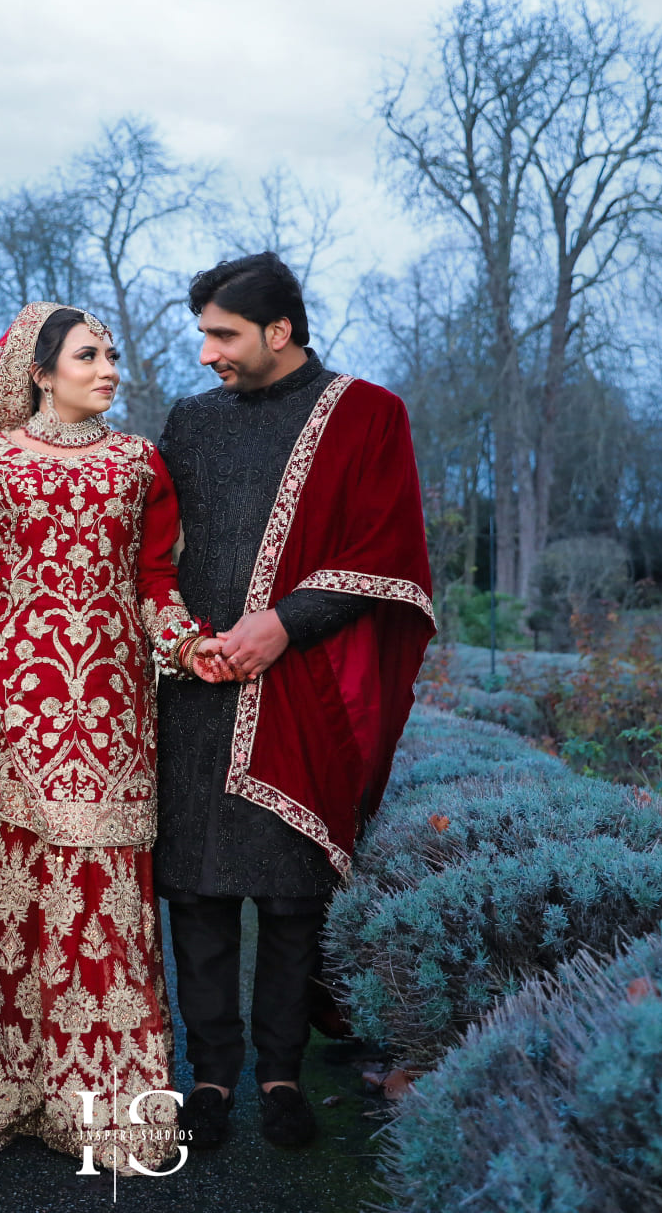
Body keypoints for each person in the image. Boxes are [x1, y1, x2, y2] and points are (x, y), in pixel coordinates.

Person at [0, 302, 235, 1173]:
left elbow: (154, 582)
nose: (109, 368)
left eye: (112, 354)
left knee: (106, 903)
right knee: (16, 904)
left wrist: (187, 645)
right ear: (40, 374)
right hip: (13, 716)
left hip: (117, 715)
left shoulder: (139, 465)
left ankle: (112, 1120)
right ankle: (11, 1100)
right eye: (88, 356)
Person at [156, 253, 435, 1149]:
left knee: (289, 894)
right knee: (195, 894)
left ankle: (279, 1074)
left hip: (299, 681)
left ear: (281, 331)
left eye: (222, 334)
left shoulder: (367, 417)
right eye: (203, 333)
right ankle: (209, 1078)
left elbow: (386, 551)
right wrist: (181, 639)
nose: (206, 353)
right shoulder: (191, 425)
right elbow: (153, 549)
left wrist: (281, 625)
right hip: (198, 684)